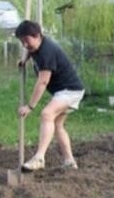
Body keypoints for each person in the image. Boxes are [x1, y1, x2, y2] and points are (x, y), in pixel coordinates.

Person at [15, 20, 85, 171]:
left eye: (26, 40)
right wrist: (24, 59)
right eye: (22, 41)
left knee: (47, 114)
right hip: (65, 91)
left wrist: (30, 106)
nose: (25, 45)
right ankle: (69, 161)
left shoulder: (47, 52)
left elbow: (42, 82)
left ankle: (39, 158)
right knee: (58, 125)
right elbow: (30, 50)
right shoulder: (36, 45)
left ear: (38, 36)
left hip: (70, 91)